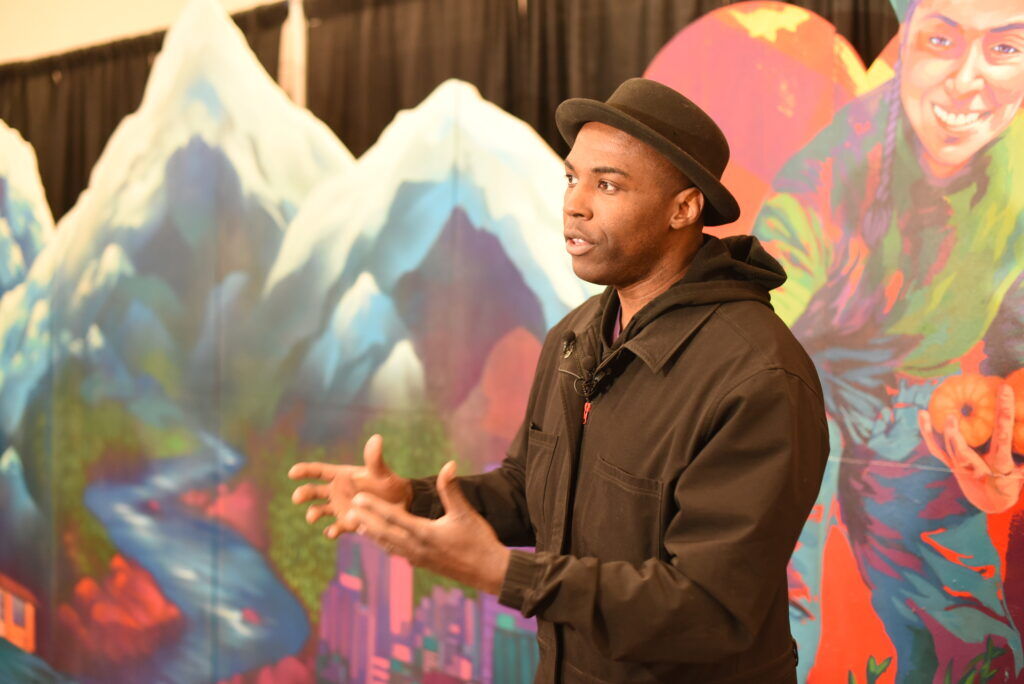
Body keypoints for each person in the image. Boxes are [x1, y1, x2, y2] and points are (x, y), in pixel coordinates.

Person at [290, 78, 829, 683]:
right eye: (572, 178)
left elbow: (710, 608)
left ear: (684, 208)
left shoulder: (757, 375)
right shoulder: (576, 337)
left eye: (608, 184)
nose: (575, 204)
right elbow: (531, 492)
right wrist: (410, 500)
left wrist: (504, 574)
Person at [750, 0, 1024, 679]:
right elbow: (762, 305)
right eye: (942, 40)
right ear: (906, 47)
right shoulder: (841, 160)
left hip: (918, 391)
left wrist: (1006, 417)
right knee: (774, 587)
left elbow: (1014, 333)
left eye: (1004, 49)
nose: (967, 80)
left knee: (957, 605)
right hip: (796, 376)